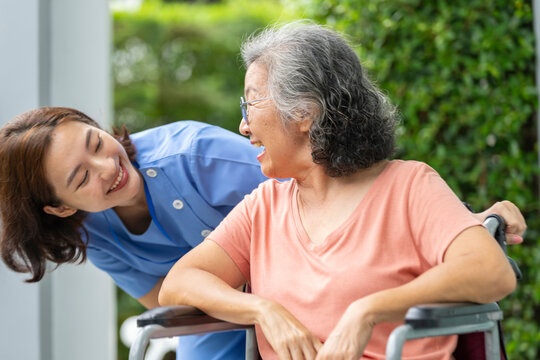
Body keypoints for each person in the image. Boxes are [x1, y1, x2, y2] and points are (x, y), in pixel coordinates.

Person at [158, 22, 524, 360]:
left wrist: (368, 311)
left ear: (304, 113)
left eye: (250, 103)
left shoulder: (409, 186)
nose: (243, 125)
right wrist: (262, 309)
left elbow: (491, 271)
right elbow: (179, 282)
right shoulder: (262, 208)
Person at [0, 107, 267, 359]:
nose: (107, 168)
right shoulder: (92, 235)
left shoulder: (195, 154)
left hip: (292, 275)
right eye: (82, 178)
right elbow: (164, 301)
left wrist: (215, 288)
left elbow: (303, 203)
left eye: (96, 144)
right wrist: (229, 296)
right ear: (61, 208)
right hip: (217, 313)